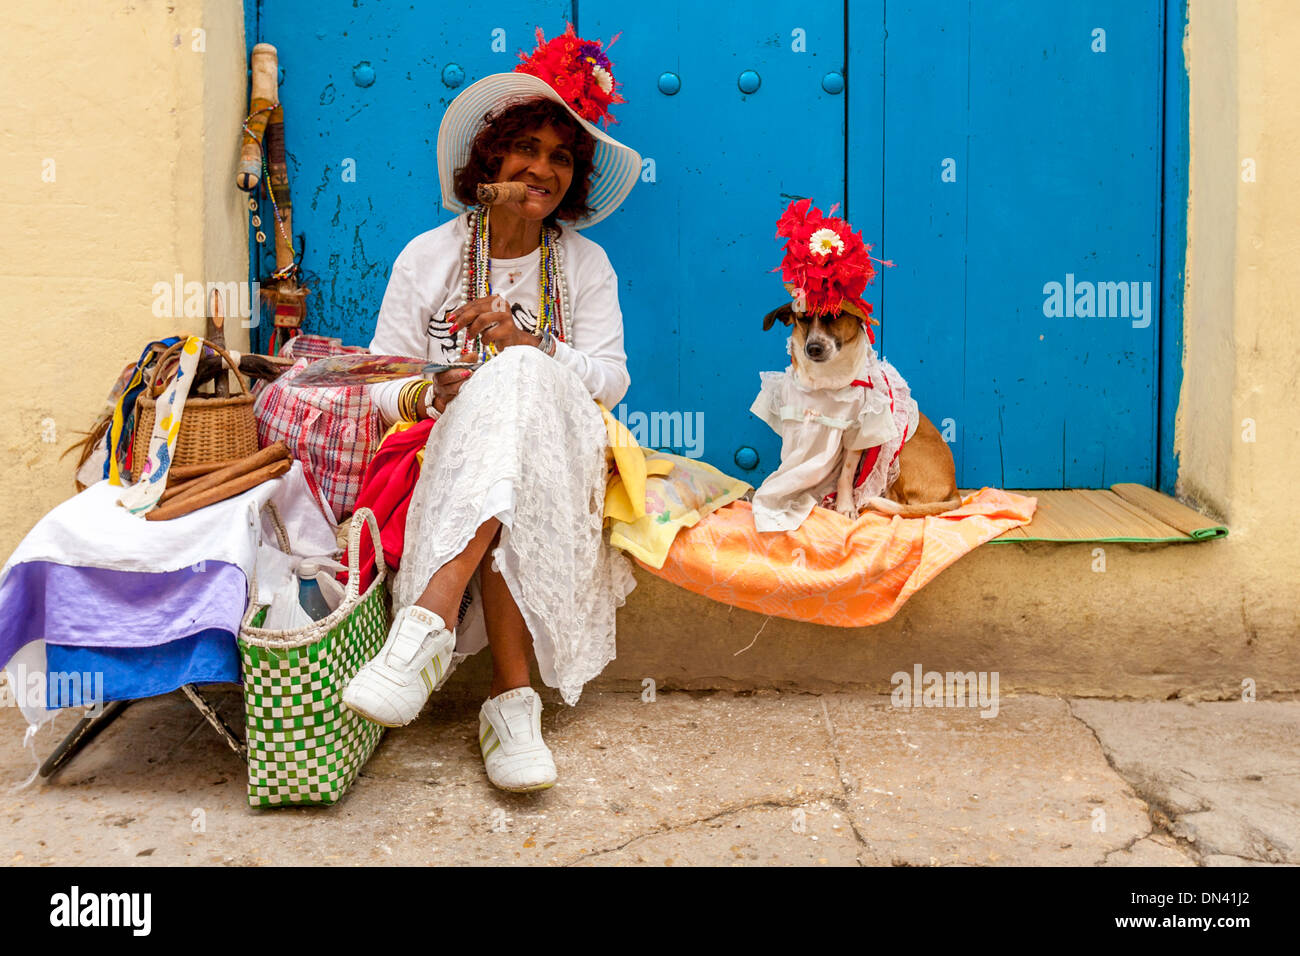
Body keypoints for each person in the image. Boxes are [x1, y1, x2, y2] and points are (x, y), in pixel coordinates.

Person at [343, 24, 643, 792]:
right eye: (527, 151)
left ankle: (425, 629)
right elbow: (382, 381)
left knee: (516, 379)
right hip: (449, 452)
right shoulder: (430, 257)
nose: (542, 170)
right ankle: (511, 705)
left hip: (564, 448)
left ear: (572, 180)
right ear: (491, 163)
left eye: (561, 157)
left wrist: (526, 342)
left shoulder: (584, 264)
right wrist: (426, 389)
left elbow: (610, 380)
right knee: (499, 422)